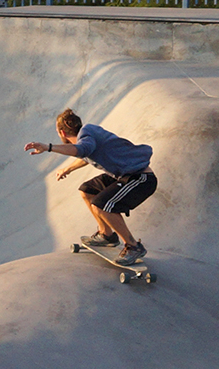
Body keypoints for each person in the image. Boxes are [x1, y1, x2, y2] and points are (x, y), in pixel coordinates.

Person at [25, 108, 157, 265]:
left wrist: (49, 147)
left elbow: (81, 150)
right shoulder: (89, 133)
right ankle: (106, 235)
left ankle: (133, 246)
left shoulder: (86, 136)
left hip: (140, 178)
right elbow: (85, 155)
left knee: (101, 205)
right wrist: (68, 169)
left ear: (63, 133)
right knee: (87, 190)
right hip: (124, 175)